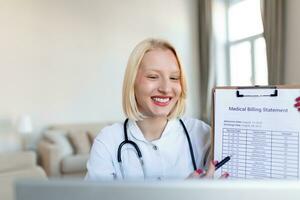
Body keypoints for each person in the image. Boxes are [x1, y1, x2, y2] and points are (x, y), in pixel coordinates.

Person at [85, 38, 300, 181]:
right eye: (152, 76)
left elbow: (265, 162)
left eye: (174, 78)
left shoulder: (202, 134)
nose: (166, 88)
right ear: (132, 82)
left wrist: (292, 117)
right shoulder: (109, 142)